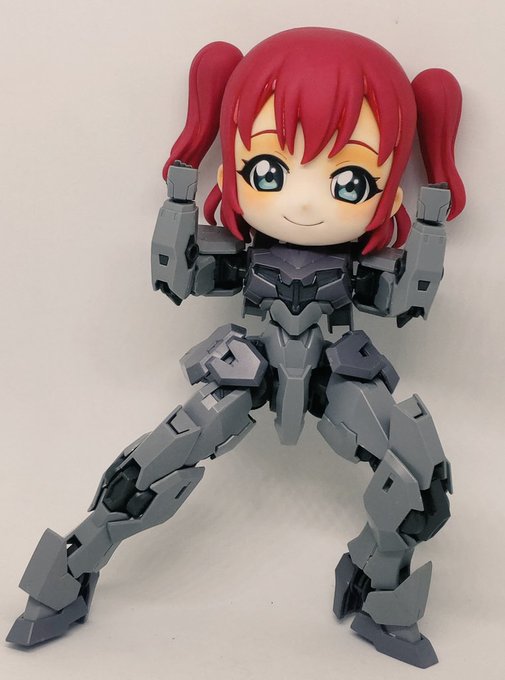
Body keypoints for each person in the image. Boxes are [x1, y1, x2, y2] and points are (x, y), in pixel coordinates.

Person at [7, 28, 465, 668]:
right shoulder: (241, 256)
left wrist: (432, 220)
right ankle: (64, 578)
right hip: (247, 367)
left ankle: (381, 592)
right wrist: (179, 197)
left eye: (350, 180)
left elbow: (408, 299)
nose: (303, 201)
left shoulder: (359, 268)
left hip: (336, 372)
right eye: (271, 171)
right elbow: (178, 276)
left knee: (419, 478)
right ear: (235, 169)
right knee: (149, 472)